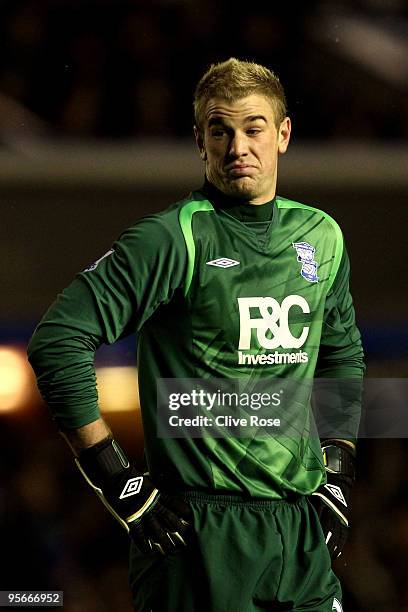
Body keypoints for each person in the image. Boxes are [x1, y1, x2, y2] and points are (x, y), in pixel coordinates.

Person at [28, 58, 364, 611]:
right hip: (200, 532)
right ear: (198, 141)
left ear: (282, 134)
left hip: (300, 529)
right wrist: (116, 481)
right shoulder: (172, 238)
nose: (238, 147)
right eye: (219, 130)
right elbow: (58, 339)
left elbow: (342, 349)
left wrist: (338, 468)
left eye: (254, 128)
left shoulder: (321, 235)